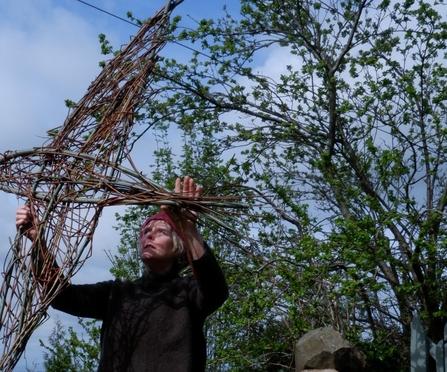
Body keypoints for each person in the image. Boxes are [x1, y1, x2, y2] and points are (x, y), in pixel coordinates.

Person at [16, 176, 228, 372]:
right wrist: (38, 241)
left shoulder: (189, 292)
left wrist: (188, 227)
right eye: (145, 232)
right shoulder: (117, 293)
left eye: (161, 232)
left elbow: (216, 291)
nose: (149, 235)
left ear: (178, 247)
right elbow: (61, 296)